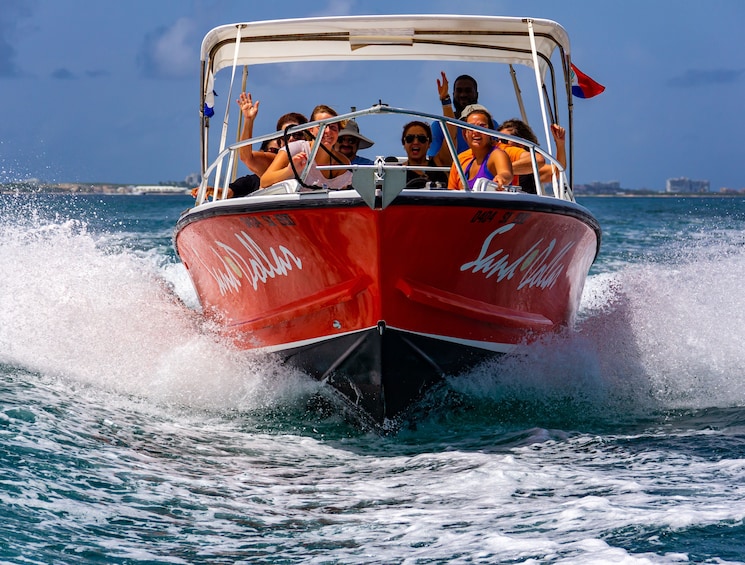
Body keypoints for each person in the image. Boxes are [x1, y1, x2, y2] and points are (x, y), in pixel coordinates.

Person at [260, 104, 352, 189]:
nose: (328, 131)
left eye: (333, 127)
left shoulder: (343, 163)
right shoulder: (295, 149)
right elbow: (264, 181)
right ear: (310, 129)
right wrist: (289, 171)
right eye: (322, 126)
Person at [236, 92, 308, 176]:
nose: (291, 139)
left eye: (297, 134)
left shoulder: (319, 158)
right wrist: (248, 120)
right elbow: (247, 157)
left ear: (306, 137)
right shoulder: (273, 163)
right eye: (286, 136)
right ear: (280, 142)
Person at [448, 105, 512, 190]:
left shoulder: (497, 154)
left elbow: (506, 173)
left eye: (482, 126)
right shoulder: (463, 162)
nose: (476, 132)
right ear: (465, 134)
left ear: (490, 133)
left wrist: (501, 178)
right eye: (471, 128)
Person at [427, 72, 480, 162]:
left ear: (476, 95)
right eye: (459, 91)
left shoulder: (490, 125)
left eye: (468, 91)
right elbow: (434, 162)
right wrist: (445, 100)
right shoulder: (439, 126)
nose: (463, 95)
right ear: (453, 94)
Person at [400, 121, 449, 188]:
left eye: (421, 138)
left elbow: (451, 135)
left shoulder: (439, 163)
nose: (416, 142)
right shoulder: (395, 172)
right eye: (410, 138)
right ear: (404, 143)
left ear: (429, 144)